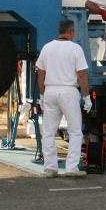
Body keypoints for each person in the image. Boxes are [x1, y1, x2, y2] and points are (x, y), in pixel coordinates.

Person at [35, 18, 93, 178]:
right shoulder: (76, 49)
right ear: (71, 31)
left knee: (48, 132)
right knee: (75, 131)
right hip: (68, 92)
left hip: (50, 91)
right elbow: (82, 75)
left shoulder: (47, 48)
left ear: (59, 31)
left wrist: (42, 95)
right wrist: (87, 96)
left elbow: (40, 75)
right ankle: (71, 168)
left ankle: (50, 168)